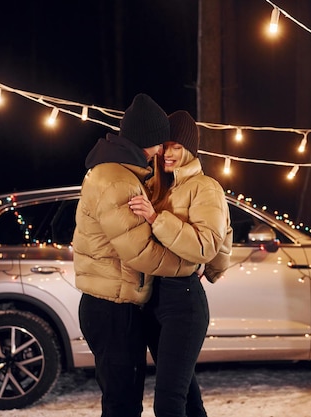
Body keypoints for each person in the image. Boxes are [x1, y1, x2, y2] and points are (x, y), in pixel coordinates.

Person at [73, 94, 198, 417]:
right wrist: (187, 265)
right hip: (113, 308)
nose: (162, 152)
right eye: (159, 142)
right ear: (147, 140)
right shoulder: (117, 181)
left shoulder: (116, 173)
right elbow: (140, 253)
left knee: (122, 403)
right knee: (123, 406)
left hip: (113, 305)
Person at [128, 110, 233, 417]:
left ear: (190, 148)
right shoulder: (157, 188)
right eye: (164, 146)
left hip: (183, 303)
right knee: (186, 398)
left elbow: (205, 245)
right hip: (153, 299)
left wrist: (155, 218)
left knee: (168, 403)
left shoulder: (205, 187)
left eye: (175, 146)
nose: (166, 153)